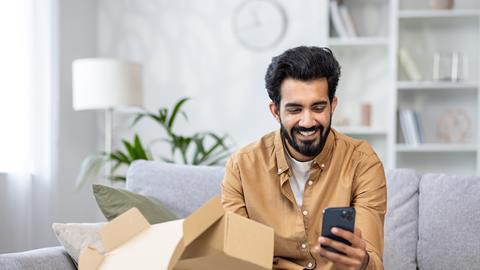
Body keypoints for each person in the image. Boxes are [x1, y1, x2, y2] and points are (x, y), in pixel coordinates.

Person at [221, 46, 386, 270]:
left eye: (318, 107)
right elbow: (237, 259)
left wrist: (362, 261)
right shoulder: (242, 167)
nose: (307, 122)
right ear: (275, 111)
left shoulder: (362, 162)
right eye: (295, 109)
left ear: (332, 106)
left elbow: (373, 261)